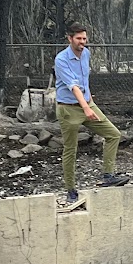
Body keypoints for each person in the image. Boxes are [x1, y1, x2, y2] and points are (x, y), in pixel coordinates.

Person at [54, 22, 123, 207]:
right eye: (78, 39)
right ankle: (70, 190)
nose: (82, 42)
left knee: (114, 134)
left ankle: (108, 175)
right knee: (70, 149)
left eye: (84, 38)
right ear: (70, 39)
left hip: (87, 103)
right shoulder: (61, 59)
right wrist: (85, 107)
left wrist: (89, 99)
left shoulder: (86, 54)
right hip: (69, 109)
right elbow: (73, 86)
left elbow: (84, 80)